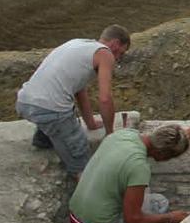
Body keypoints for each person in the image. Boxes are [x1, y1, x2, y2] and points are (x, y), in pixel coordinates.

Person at [15, 24, 130, 177]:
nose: (118, 58)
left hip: (25, 102)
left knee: (56, 128)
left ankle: (44, 142)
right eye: (120, 53)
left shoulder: (79, 44)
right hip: (50, 109)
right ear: (115, 44)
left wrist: (90, 123)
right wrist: (109, 134)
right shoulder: (105, 54)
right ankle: (86, 195)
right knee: (81, 159)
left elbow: (79, 90)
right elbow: (105, 98)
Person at [67, 123, 190, 223]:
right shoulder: (139, 167)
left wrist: (184, 136)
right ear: (162, 155)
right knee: (159, 204)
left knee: (148, 200)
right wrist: (170, 218)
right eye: (170, 157)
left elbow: (162, 140)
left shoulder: (123, 135)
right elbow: (132, 219)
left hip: (75, 215)